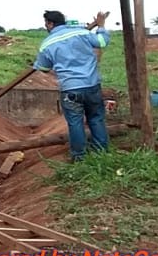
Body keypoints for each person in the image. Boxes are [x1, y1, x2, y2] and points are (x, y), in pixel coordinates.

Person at [33, 9, 111, 161]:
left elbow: (43, 68)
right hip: (92, 85)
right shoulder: (82, 32)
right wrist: (101, 26)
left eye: (46, 24)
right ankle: (102, 153)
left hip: (70, 89)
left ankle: (79, 157)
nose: (45, 26)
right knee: (96, 118)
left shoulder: (47, 43)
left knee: (75, 123)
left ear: (50, 24)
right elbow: (102, 42)